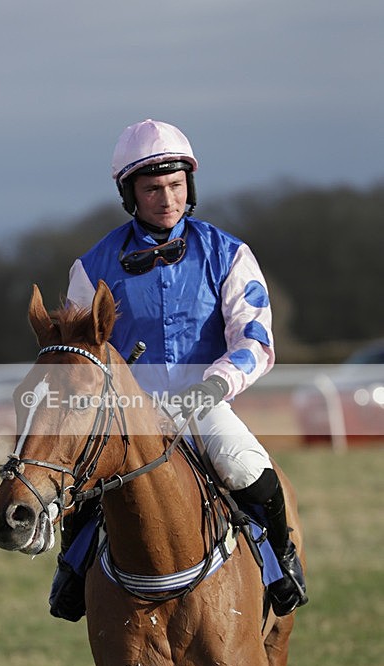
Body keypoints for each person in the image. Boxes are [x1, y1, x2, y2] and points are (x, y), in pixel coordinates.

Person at [50, 119, 307, 621]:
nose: (167, 199)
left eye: (175, 185)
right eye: (152, 189)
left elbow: (255, 340)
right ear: (130, 194)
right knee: (79, 485)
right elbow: (78, 353)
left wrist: (213, 386)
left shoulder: (230, 254)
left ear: (189, 185)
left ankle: (282, 564)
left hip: (203, 404)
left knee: (245, 468)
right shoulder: (91, 267)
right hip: (129, 417)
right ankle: (73, 572)